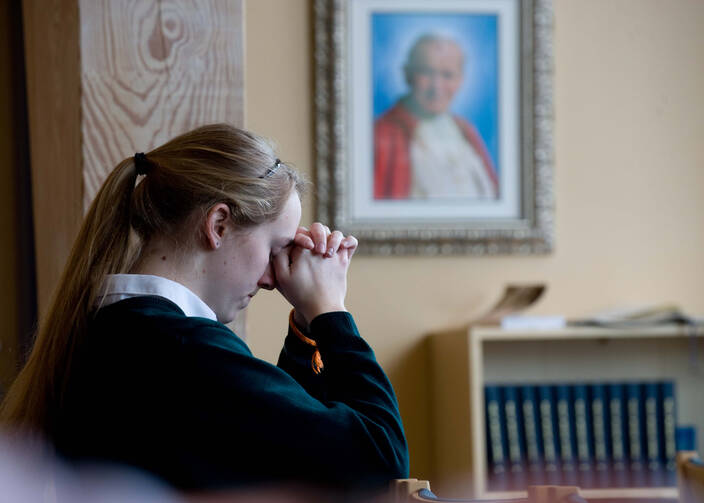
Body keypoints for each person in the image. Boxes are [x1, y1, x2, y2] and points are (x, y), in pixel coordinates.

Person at [0, 124, 409, 493]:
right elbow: (381, 458)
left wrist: (307, 324)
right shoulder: (182, 349)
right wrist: (330, 312)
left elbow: (281, 444)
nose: (273, 279)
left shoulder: (120, 329)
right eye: (274, 249)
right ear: (218, 225)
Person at [374, 33, 499, 200]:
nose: (437, 86)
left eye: (447, 75)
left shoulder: (465, 130)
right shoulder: (381, 134)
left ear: (460, 79)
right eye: (426, 72)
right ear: (407, 74)